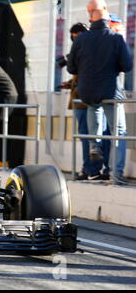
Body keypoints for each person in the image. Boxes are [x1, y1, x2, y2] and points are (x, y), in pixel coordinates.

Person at [67, 0, 133, 184]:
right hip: (110, 91)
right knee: (117, 132)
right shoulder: (115, 37)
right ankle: (116, 174)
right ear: (105, 9)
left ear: (90, 13)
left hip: (87, 92)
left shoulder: (81, 39)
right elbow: (127, 66)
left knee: (93, 115)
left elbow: (71, 68)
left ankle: (95, 145)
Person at [58, 22, 110, 180]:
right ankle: (90, 168)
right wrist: (71, 83)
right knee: (86, 136)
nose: (77, 41)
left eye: (79, 37)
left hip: (90, 99)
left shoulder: (93, 50)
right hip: (80, 99)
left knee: (94, 136)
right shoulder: (81, 51)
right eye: (74, 38)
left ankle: (93, 169)